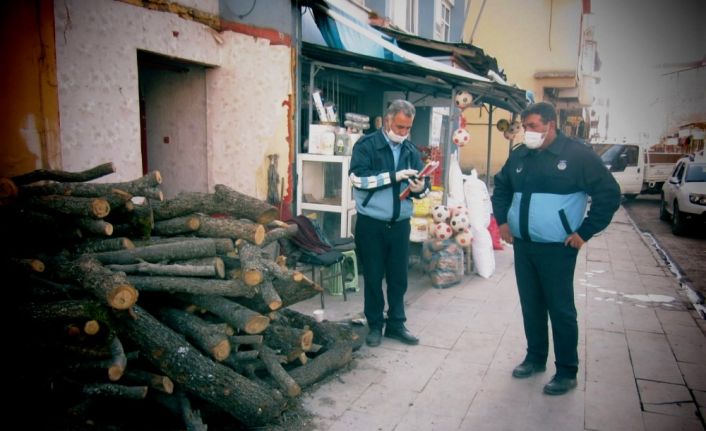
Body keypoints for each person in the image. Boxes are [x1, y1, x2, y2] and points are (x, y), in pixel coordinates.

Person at [491, 102, 620, 395]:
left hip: (558, 249)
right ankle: (535, 358)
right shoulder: (520, 155)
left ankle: (566, 371)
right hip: (524, 246)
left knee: (560, 309)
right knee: (531, 305)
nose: (527, 132)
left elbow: (609, 194)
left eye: (533, 126)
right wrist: (502, 222)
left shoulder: (576, 155)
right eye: (525, 127)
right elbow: (501, 187)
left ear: (551, 125)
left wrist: (584, 232)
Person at [349, 99, 430, 347]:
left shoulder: (410, 151)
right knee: (373, 276)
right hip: (371, 223)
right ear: (387, 121)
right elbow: (358, 180)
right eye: (399, 126)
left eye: (408, 128)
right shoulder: (367, 145)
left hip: (399, 224)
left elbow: (423, 190)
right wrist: (394, 176)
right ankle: (375, 325)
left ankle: (396, 323)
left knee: (398, 278)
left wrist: (419, 188)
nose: (404, 133)